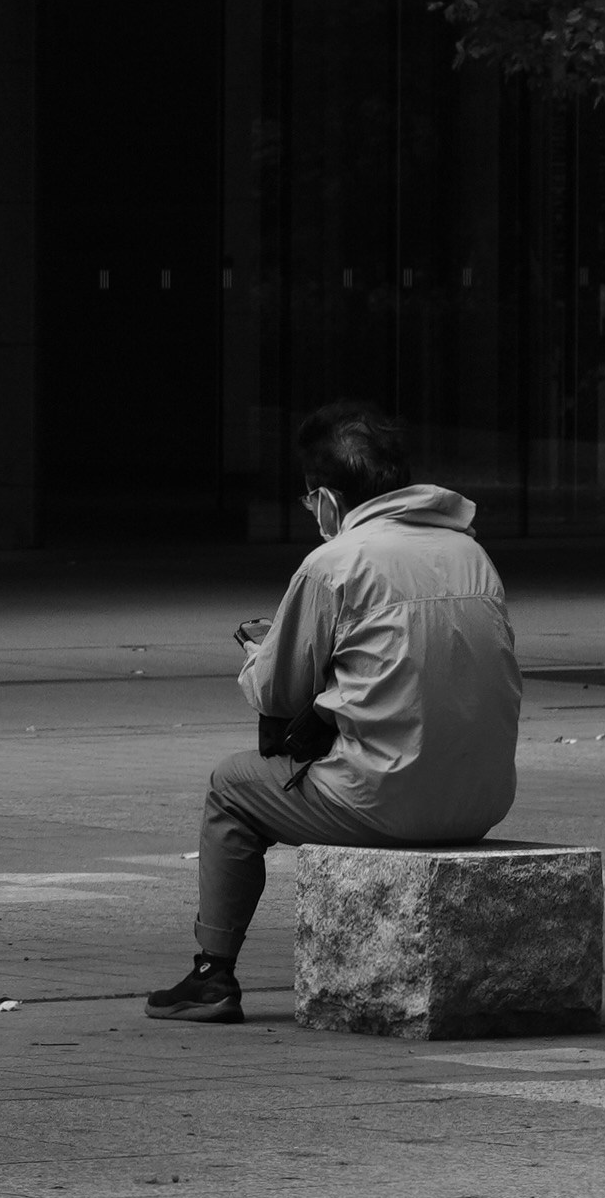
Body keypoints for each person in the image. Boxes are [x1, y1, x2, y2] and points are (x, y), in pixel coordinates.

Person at [148, 403, 524, 1023]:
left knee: (231, 788)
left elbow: (274, 692)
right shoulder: (471, 555)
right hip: (482, 798)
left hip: (386, 798)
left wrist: (257, 649)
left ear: (326, 499)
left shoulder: (335, 563)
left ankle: (213, 974)